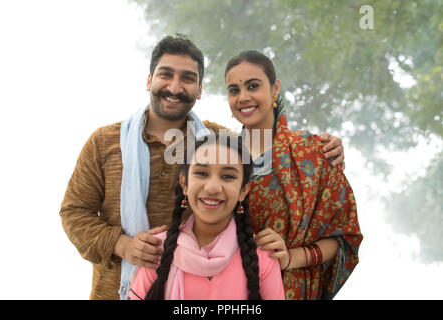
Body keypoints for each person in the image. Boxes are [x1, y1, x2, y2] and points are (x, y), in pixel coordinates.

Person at [60, 35, 345, 300]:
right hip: (112, 290)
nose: (174, 87)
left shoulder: (221, 142)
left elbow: (267, 160)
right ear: (149, 80)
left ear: (199, 90)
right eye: (165, 74)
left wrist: (319, 149)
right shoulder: (104, 143)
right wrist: (123, 245)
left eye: (187, 78)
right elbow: (74, 212)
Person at [224, 50, 363, 299]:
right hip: (230, 291)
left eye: (253, 86)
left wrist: (290, 258)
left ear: (275, 88)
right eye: (234, 90)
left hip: (293, 290)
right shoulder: (220, 157)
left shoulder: (314, 151)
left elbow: (344, 236)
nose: (243, 97)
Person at [129, 134, 285, 300]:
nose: (212, 187)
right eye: (202, 173)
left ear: (243, 191)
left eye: (228, 176)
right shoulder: (156, 250)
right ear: (185, 184)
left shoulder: (262, 256)